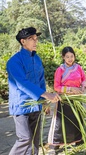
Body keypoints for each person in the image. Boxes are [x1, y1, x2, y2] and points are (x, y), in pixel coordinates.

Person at [6, 27, 61, 155]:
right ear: (23, 41)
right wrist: (47, 94)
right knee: (25, 138)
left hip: (36, 106)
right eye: (31, 39)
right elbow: (22, 83)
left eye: (36, 39)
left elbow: (41, 81)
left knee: (35, 140)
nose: (35, 42)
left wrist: (44, 102)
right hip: (21, 106)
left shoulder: (37, 59)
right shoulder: (14, 62)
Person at [48, 46, 86, 151]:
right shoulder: (60, 70)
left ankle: (77, 140)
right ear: (63, 57)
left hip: (76, 99)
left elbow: (83, 79)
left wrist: (82, 87)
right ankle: (55, 144)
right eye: (67, 56)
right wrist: (71, 89)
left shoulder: (78, 68)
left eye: (72, 56)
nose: (70, 59)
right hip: (64, 100)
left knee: (76, 119)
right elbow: (56, 87)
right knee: (61, 123)